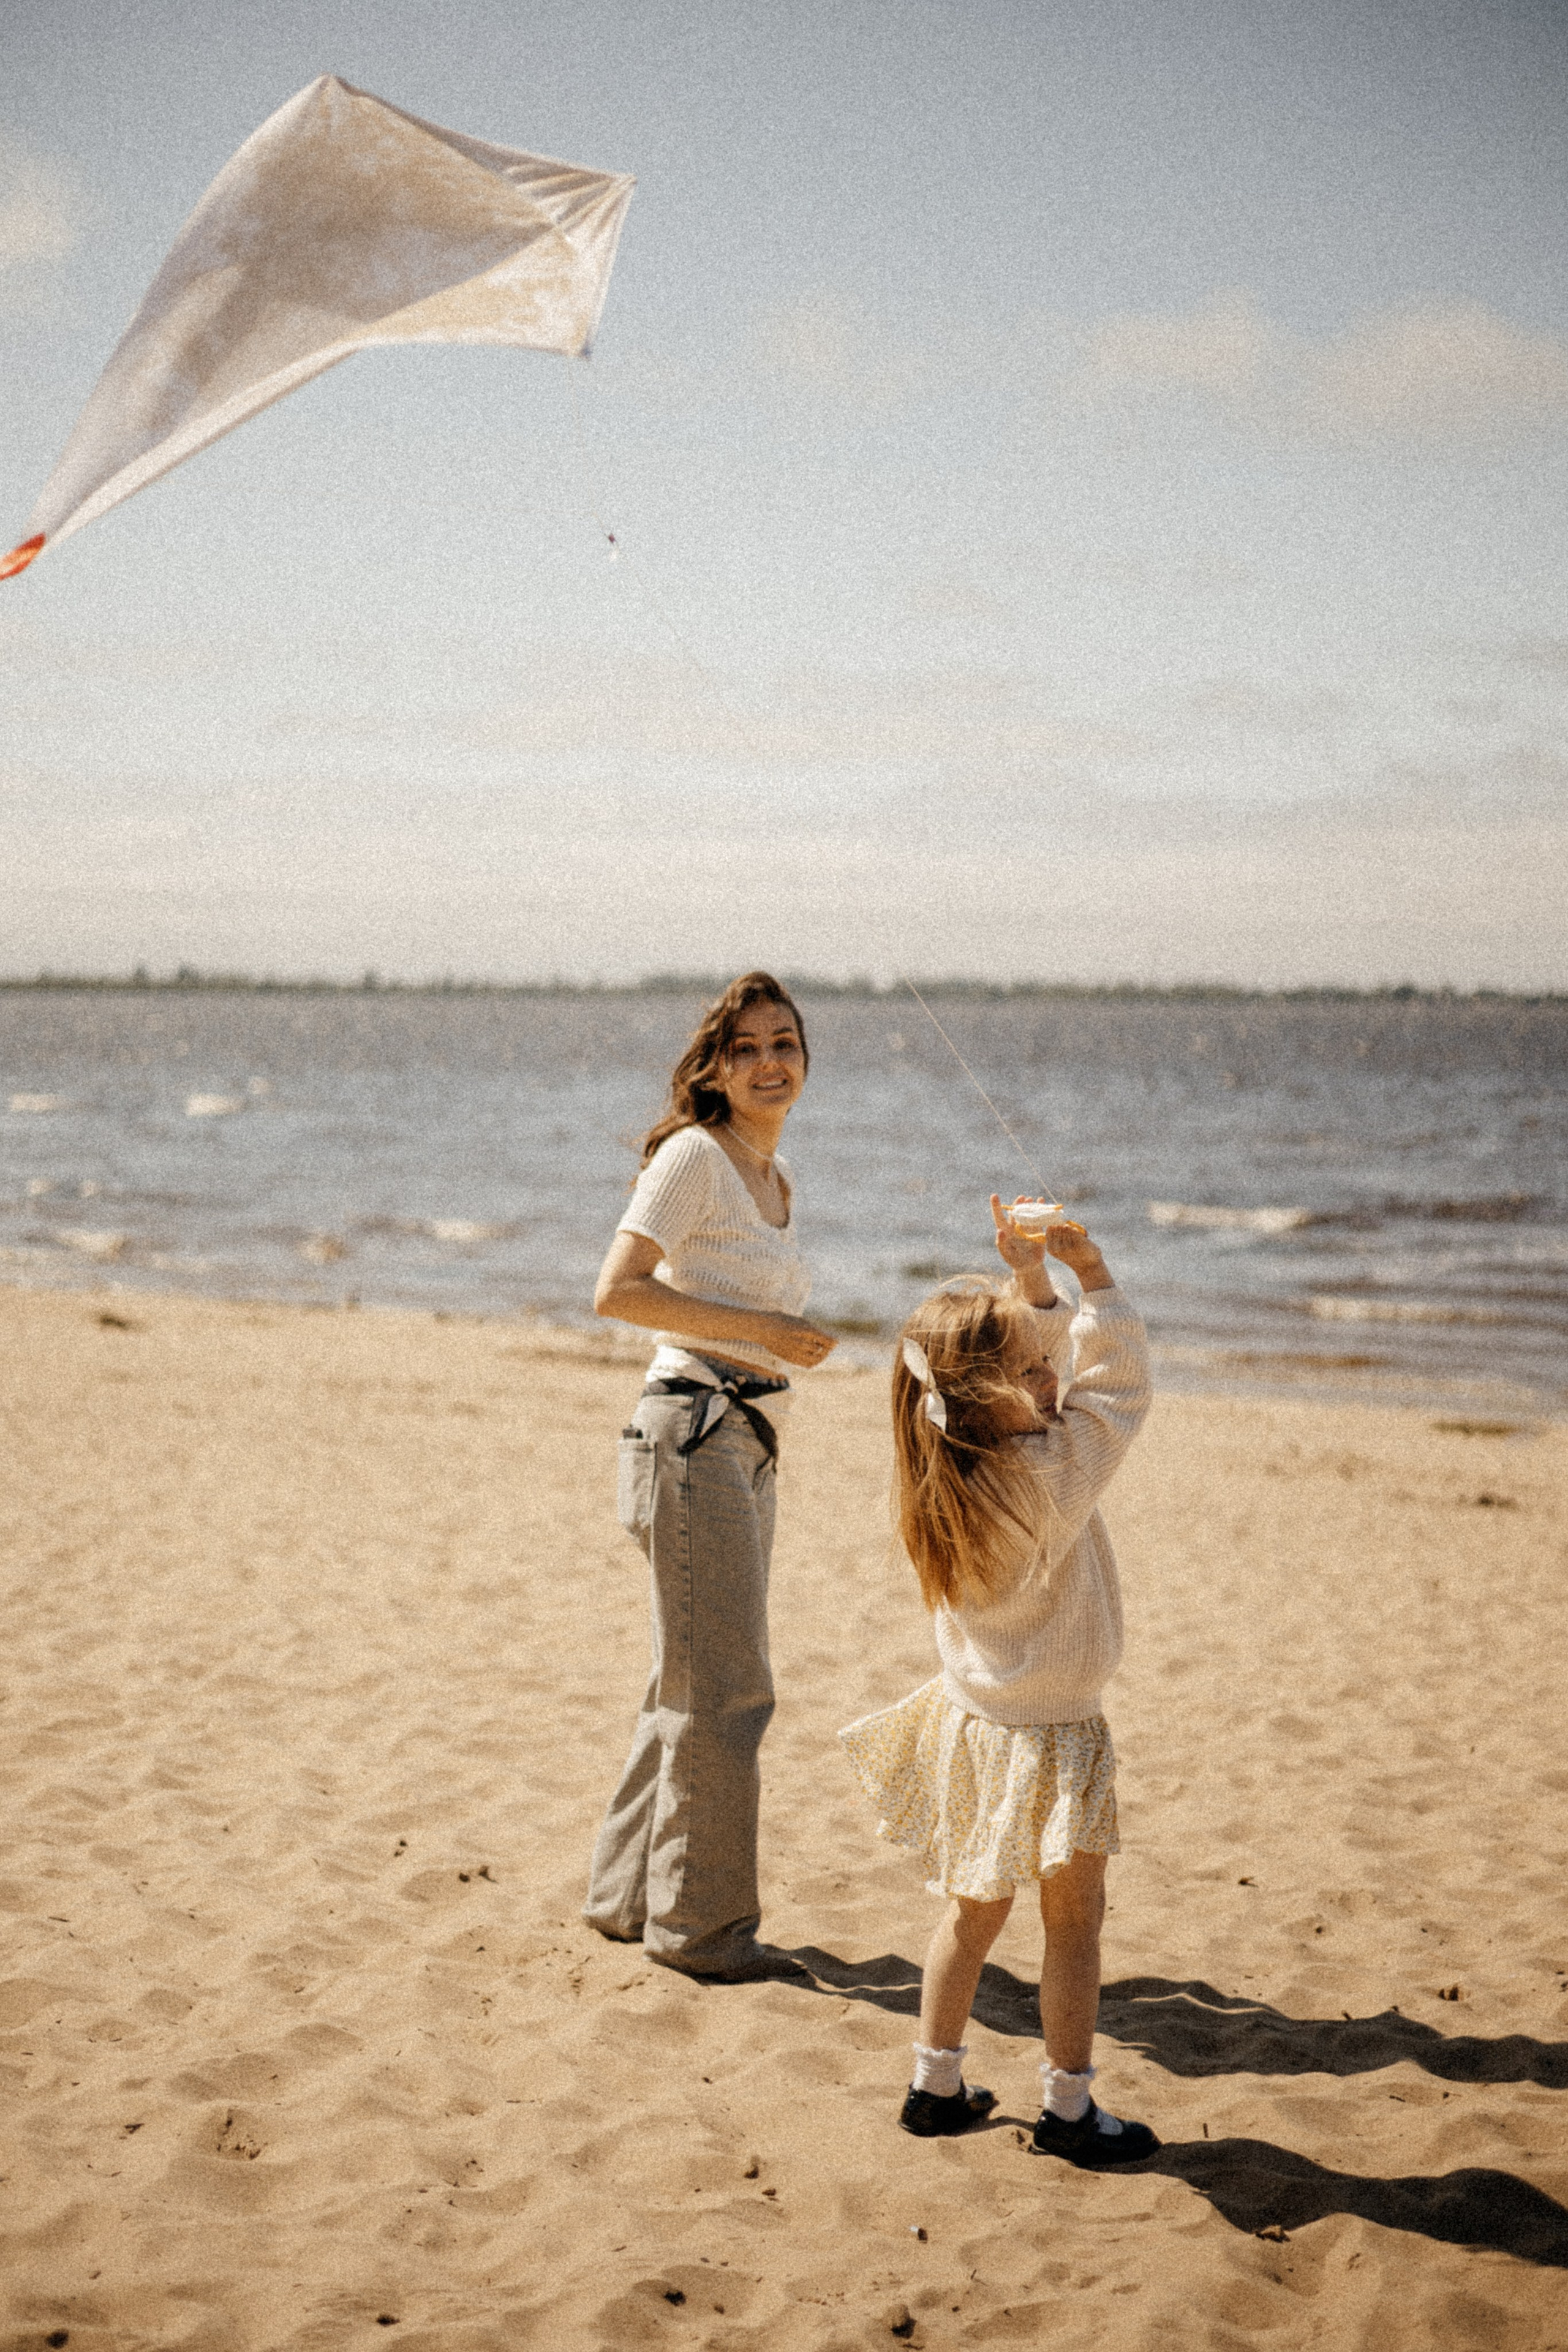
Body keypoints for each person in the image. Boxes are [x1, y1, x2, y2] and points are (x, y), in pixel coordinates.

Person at [840, 1197, 1158, 2162]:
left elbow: (1067, 1375)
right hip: (1057, 1733)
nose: (1052, 1378)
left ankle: (934, 2083)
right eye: (1030, 1371)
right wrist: (1092, 1277)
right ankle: (1068, 2110)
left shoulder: (947, 1476)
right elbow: (1121, 1388)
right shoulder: (1050, 1476)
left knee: (971, 1917)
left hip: (978, 1727)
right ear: (981, 1397)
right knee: (1074, 1931)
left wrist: (1031, 1286)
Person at [584, 972, 838, 1980]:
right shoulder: (694, 1156)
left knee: (684, 1682)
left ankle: (624, 1900)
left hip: (744, 1439)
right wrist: (764, 1331)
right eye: (748, 1048)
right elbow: (617, 1292)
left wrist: (773, 1349)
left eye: (786, 1043)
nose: (771, 1063)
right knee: (730, 1692)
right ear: (716, 1067)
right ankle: (703, 1931)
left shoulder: (774, 1176)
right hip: (692, 1428)